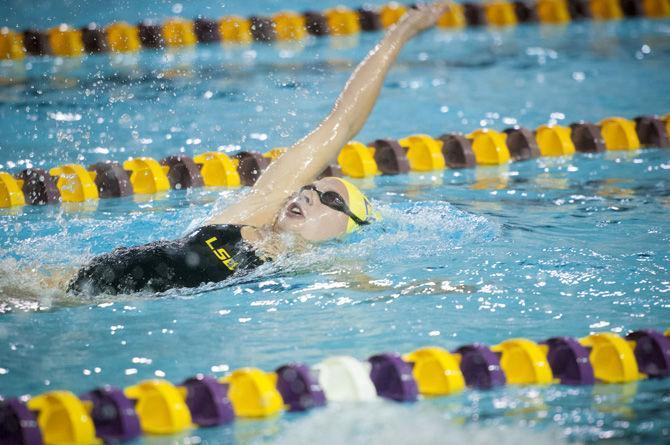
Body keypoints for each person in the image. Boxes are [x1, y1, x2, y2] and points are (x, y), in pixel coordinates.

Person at [67, 3, 447, 296]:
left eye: (329, 200)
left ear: (346, 229)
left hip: (87, 302)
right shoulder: (252, 215)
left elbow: (378, 293)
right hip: (72, 282)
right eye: (310, 188)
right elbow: (340, 124)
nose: (308, 194)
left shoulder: (318, 267)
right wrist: (402, 31)